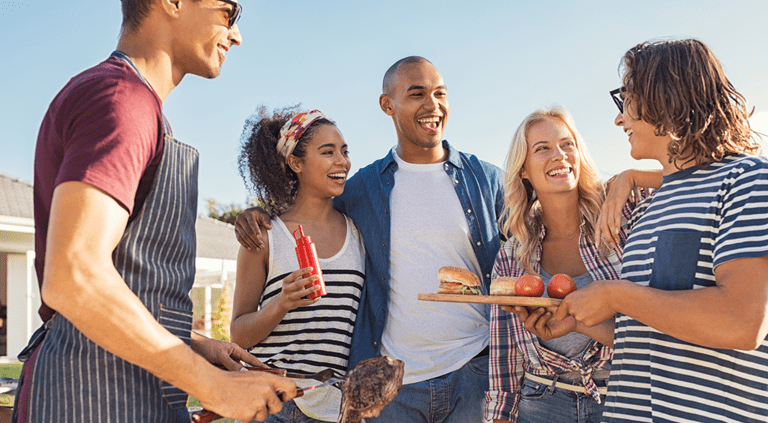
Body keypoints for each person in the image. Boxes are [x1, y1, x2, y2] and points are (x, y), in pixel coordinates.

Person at [14, 1, 298, 422]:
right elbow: (74, 276)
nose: (236, 34)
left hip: (127, 388)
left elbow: (127, 277)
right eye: (228, 12)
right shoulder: (121, 100)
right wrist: (210, 384)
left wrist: (195, 343)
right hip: (93, 394)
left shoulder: (135, 105)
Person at [236, 56, 505, 422]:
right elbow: (306, 204)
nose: (432, 104)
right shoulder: (364, 190)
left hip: (468, 373)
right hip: (382, 385)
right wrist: (255, 215)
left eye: (440, 93)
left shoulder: (486, 180)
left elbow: (539, 226)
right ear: (387, 105)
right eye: (417, 93)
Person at [553, 38, 768, 422]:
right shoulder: (648, 205)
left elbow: (742, 322)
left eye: (627, 99)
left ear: (665, 97)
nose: (619, 119)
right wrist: (579, 320)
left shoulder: (748, 183)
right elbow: (649, 331)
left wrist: (614, 293)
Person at [485, 106, 662, 423]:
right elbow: (505, 358)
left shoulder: (624, 212)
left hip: (624, 398)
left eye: (568, 144)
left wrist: (630, 177)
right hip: (541, 401)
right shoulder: (512, 255)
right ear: (523, 169)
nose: (559, 155)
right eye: (542, 149)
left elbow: (698, 177)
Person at [230, 107, 365, 422]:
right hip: (273, 403)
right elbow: (238, 335)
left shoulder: (358, 233)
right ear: (296, 162)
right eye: (328, 152)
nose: (342, 162)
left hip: (335, 405)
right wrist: (280, 304)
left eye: (344, 152)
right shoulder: (265, 236)